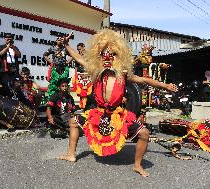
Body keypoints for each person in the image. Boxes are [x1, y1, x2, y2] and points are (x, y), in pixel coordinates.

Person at [57, 29, 178, 177]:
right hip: (99, 113)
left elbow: (144, 80)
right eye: (103, 54)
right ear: (98, 56)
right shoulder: (95, 71)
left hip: (117, 114)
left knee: (144, 134)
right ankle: (71, 154)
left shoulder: (123, 75)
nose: (108, 57)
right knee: (73, 122)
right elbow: (77, 57)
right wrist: (66, 45)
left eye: (112, 54)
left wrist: (165, 86)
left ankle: (137, 165)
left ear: (119, 56)